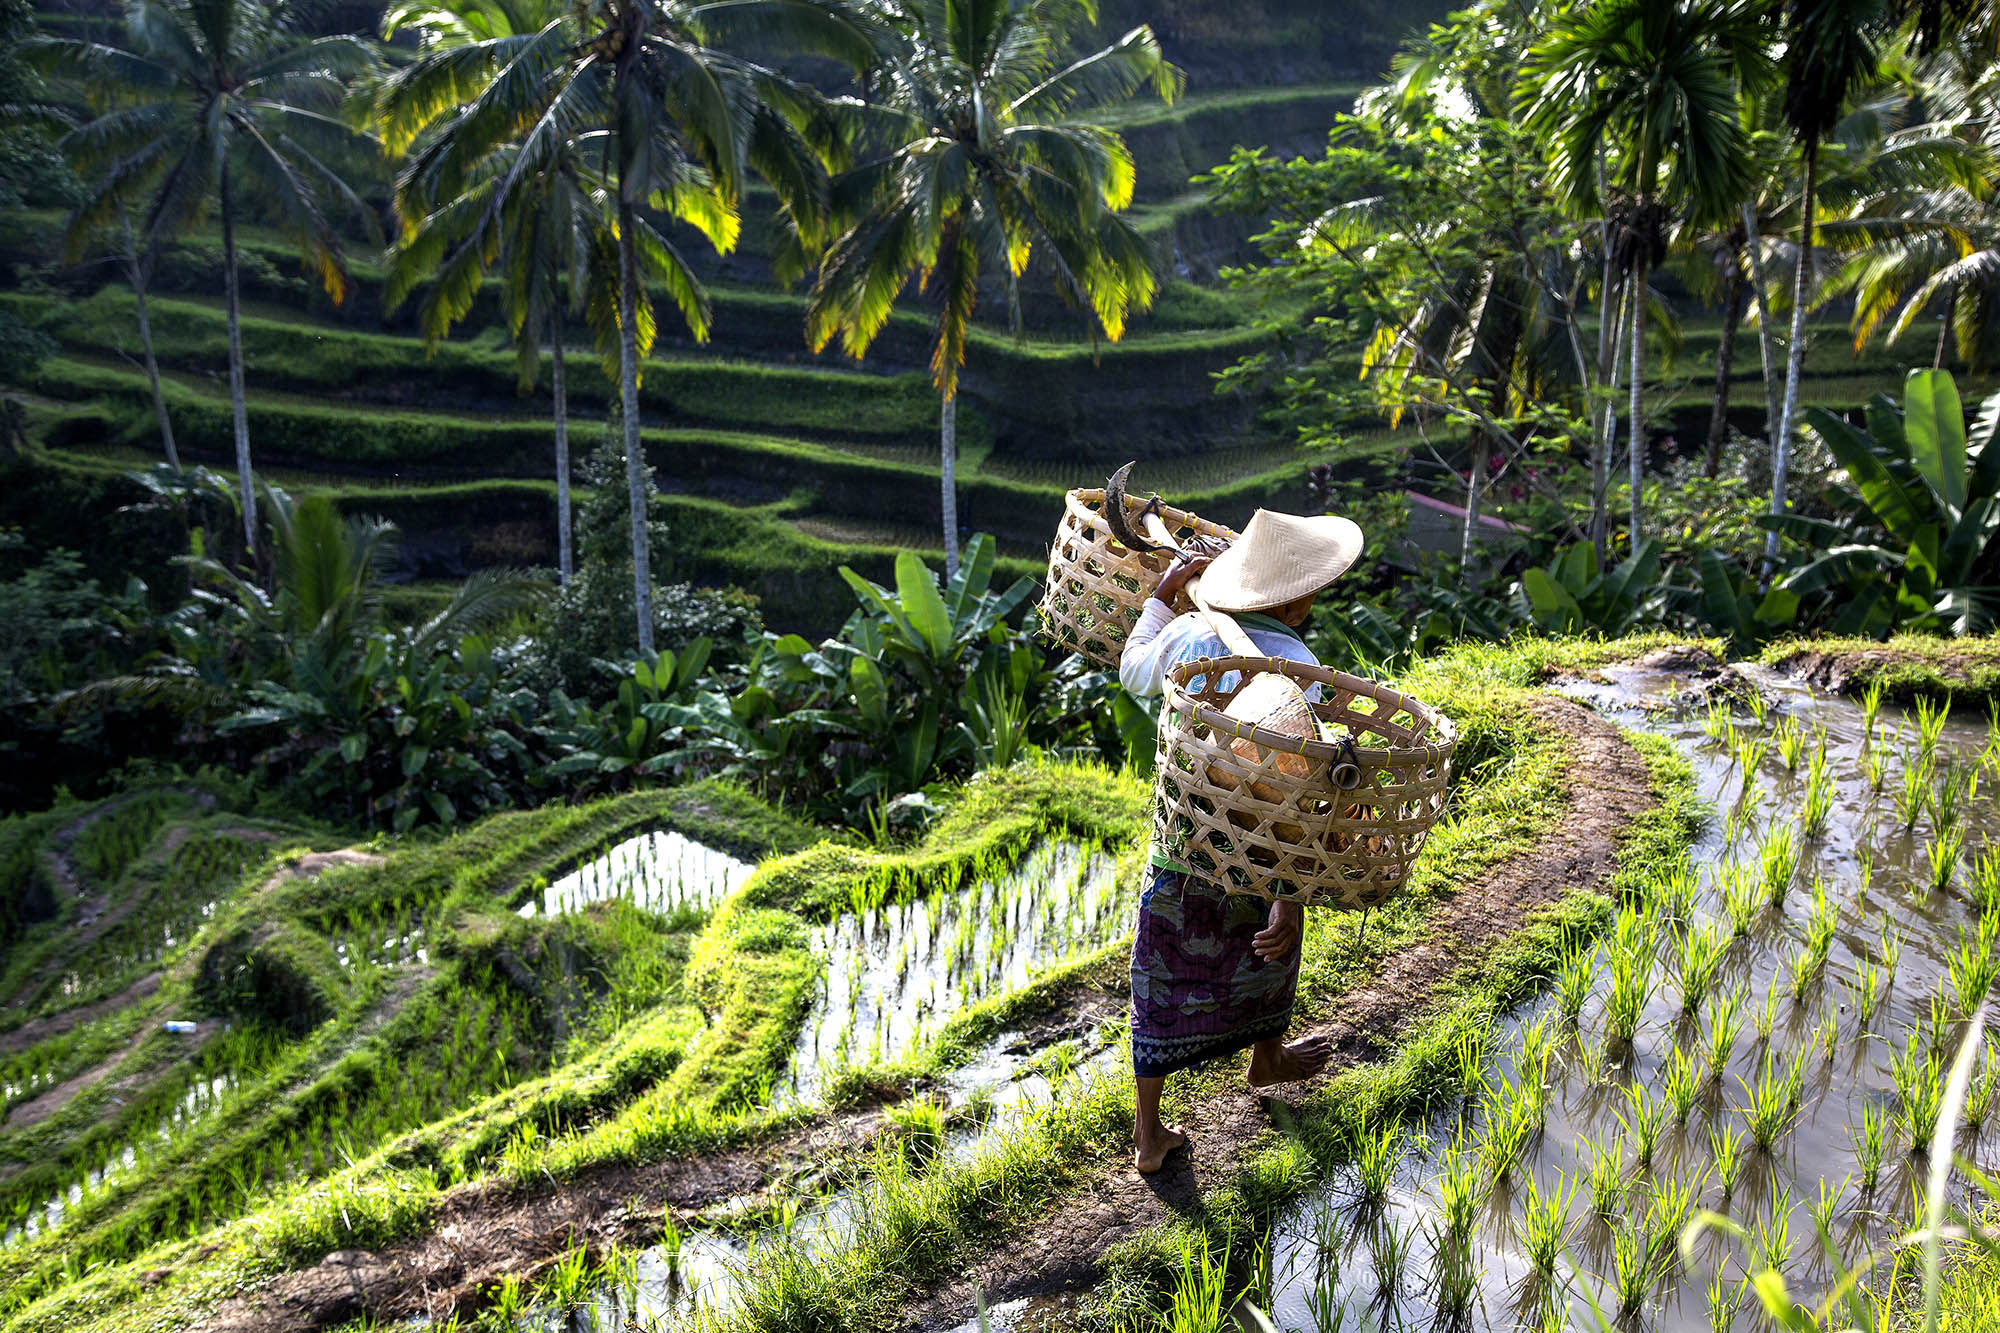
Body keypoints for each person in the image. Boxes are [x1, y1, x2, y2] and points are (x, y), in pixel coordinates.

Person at [1117, 507, 1364, 1175]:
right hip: (1262, 845)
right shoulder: (1302, 666)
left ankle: (1148, 1134)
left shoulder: (1190, 631)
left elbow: (1132, 670)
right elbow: (1306, 791)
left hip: (1185, 833)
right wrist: (1293, 894)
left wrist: (1161, 602)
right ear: (1293, 597)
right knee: (1272, 946)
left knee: (1162, 969)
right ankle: (1267, 1056)